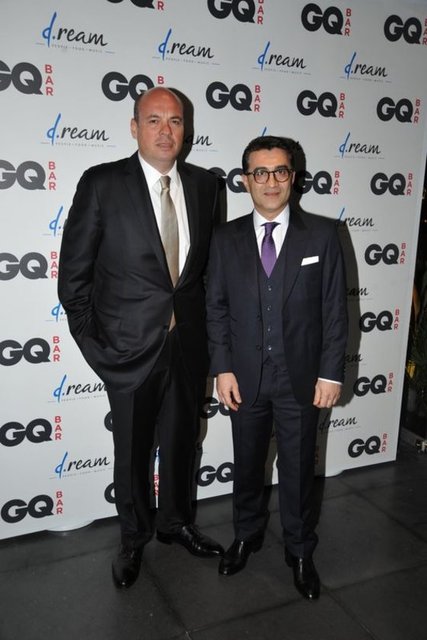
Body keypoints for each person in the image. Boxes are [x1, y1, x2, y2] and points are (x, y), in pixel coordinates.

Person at [58, 87, 223, 589]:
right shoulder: (102, 183)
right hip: (127, 349)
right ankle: (132, 538)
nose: (165, 131)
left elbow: (208, 274)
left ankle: (176, 523)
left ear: (186, 129)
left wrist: (214, 343)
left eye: (175, 121)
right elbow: (74, 278)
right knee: (131, 451)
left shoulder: (206, 186)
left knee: (182, 442)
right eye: (153, 120)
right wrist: (96, 345)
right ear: (134, 127)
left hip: (188, 346)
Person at [206, 135, 348, 600]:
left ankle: (300, 550)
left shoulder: (323, 234)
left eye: (280, 171)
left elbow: (334, 311)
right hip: (244, 378)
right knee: (247, 464)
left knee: (299, 469)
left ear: (293, 177)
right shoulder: (224, 239)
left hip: (301, 379)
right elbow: (216, 308)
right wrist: (222, 368)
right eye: (260, 173)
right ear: (245, 179)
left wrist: (330, 373)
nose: (271, 182)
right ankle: (246, 536)